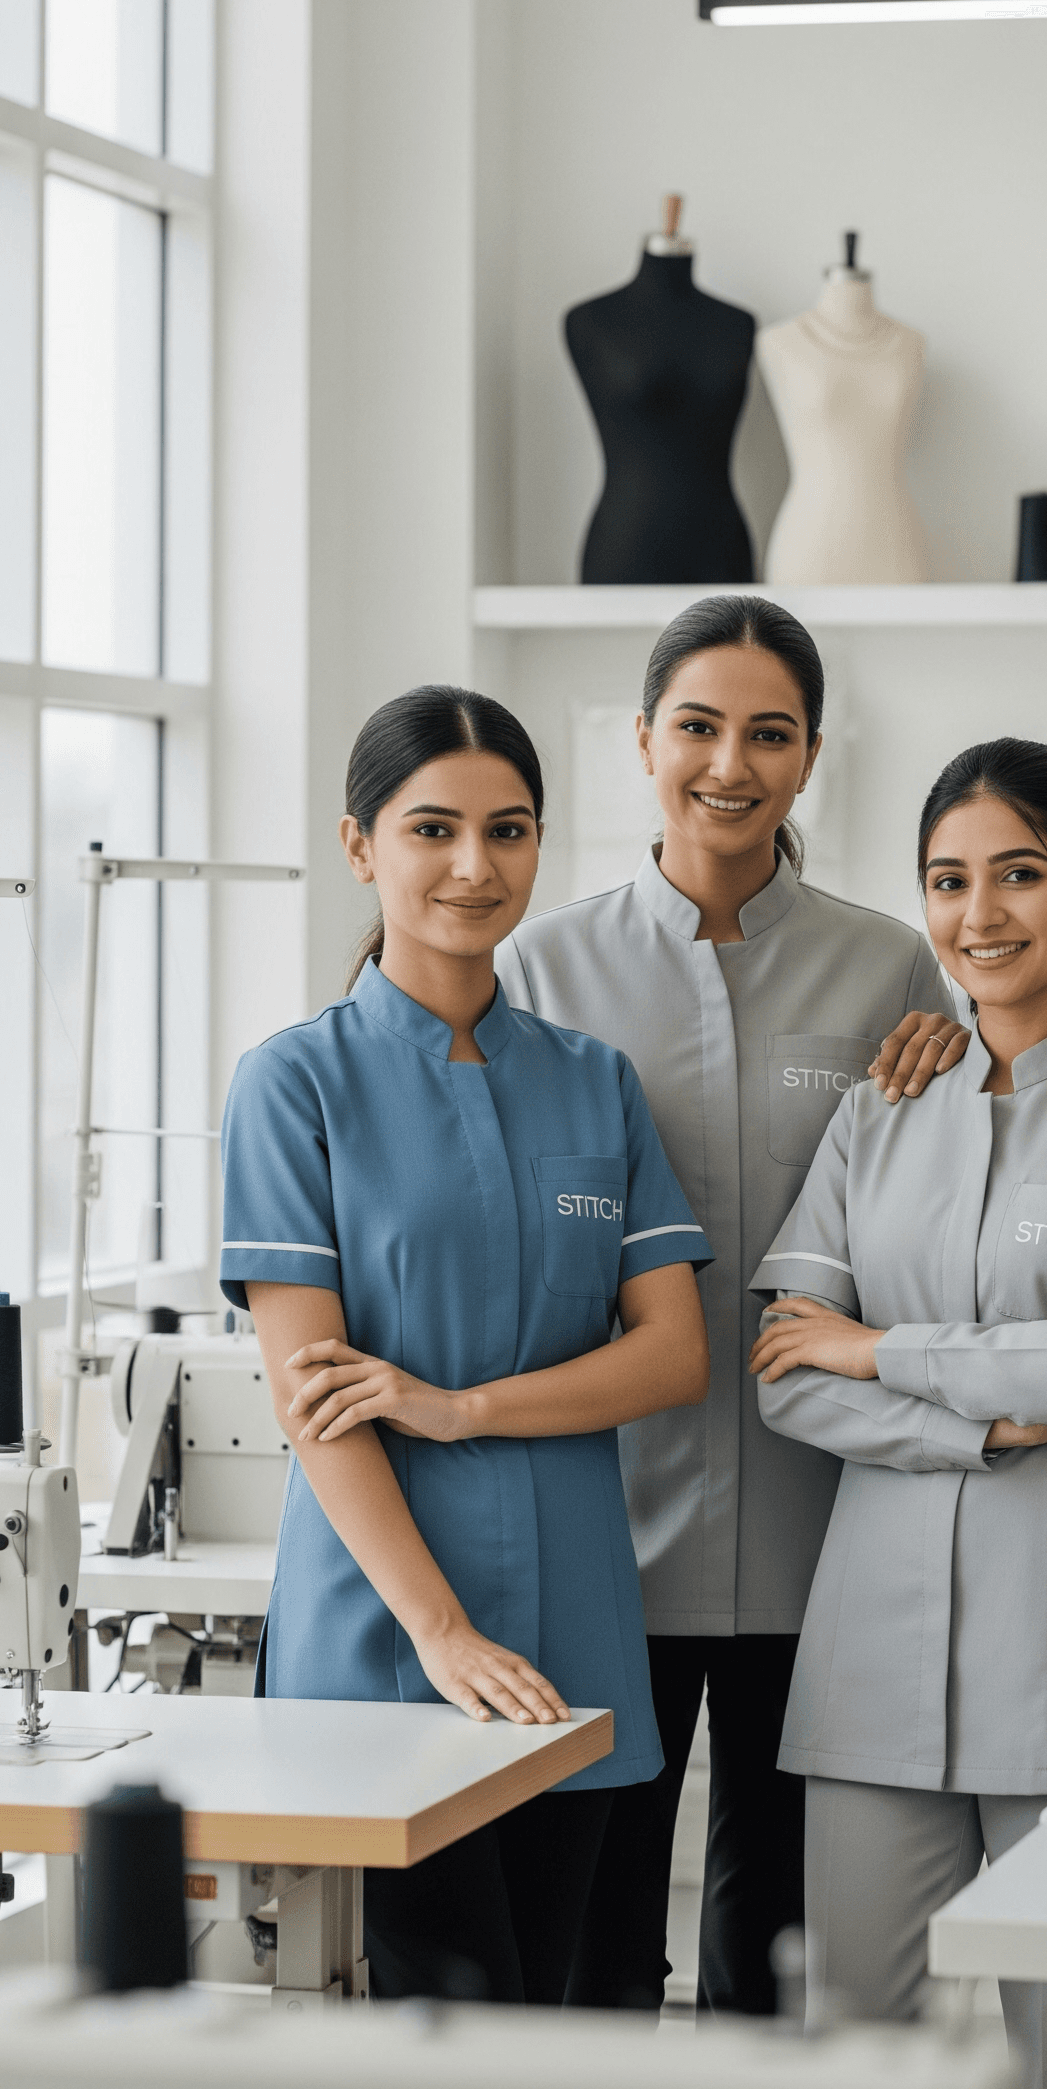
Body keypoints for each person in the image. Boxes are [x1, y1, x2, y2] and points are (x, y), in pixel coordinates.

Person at [494, 591, 966, 2017]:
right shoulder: (539, 970)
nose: (730, 764)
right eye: (698, 727)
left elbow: (939, 1204)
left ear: (811, 754)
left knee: (778, 1931)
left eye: (770, 733)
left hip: (820, 1531)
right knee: (597, 1921)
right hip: (601, 1535)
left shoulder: (886, 964)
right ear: (641, 741)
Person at [748, 739, 1047, 2089]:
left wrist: (880, 1350)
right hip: (870, 1661)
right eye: (947, 881)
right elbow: (783, 1376)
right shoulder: (874, 1112)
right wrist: (999, 1414)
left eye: (1020, 874)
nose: (980, 913)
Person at [219, 685, 712, 2006]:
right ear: (359, 845)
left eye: (509, 830)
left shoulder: (592, 1080)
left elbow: (673, 1358)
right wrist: (437, 1633)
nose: (475, 866)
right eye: (432, 829)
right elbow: (315, 1399)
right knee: (456, 2022)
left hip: (577, 1631)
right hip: (390, 1641)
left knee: (560, 2016)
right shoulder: (293, 1086)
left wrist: (455, 1408)